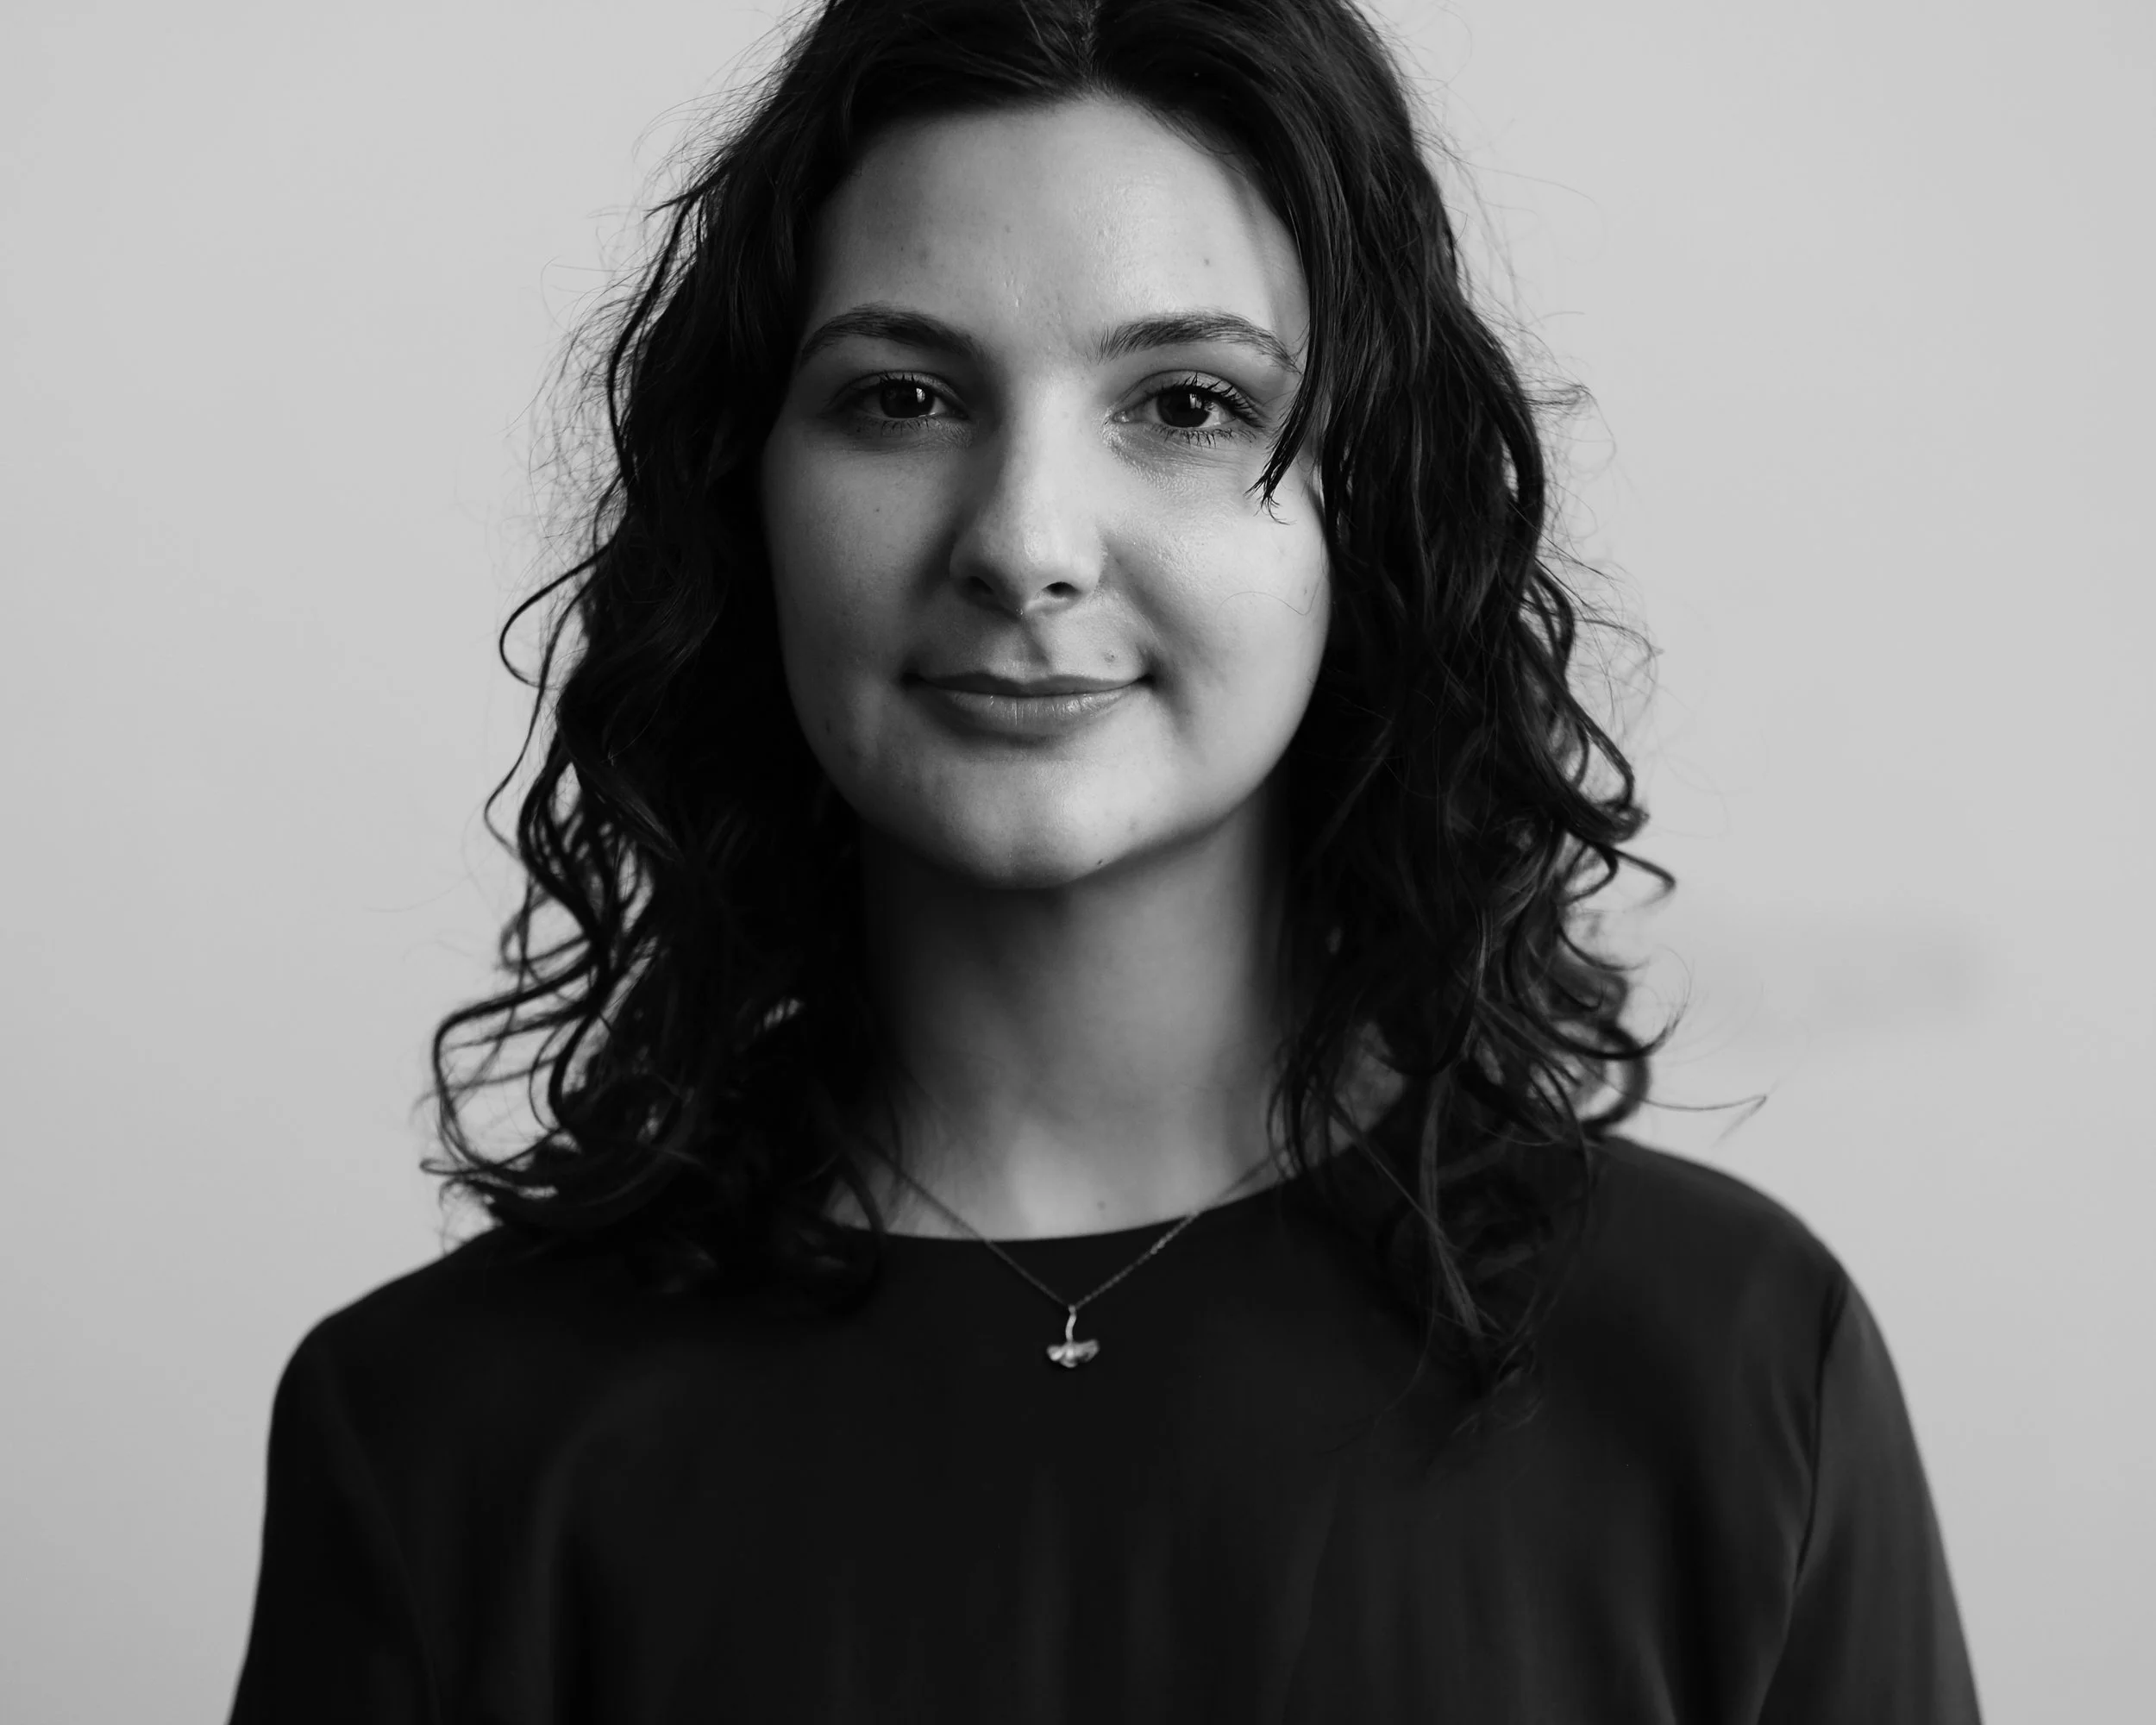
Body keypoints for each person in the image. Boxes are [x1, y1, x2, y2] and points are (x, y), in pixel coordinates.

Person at [226, 0, 1981, 1718]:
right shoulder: (438, 1437)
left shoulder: (1734, 1373)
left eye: (1186, 404)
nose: (1025, 541)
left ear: (1367, 511)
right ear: (742, 498)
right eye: (904, 394)